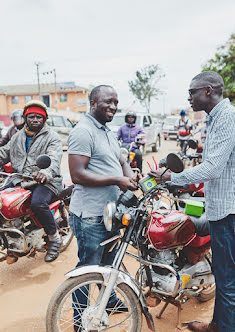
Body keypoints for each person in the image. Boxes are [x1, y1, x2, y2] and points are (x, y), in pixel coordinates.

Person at [150, 71, 235, 332]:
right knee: (223, 276)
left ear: (208, 91)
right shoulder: (215, 118)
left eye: (192, 92)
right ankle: (217, 326)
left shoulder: (227, 117)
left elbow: (212, 168)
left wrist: (174, 178)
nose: (189, 98)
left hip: (228, 211)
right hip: (220, 207)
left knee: (228, 280)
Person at [68, 85, 137, 331]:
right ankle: (79, 323)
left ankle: (111, 301)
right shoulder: (83, 131)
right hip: (91, 215)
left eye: (116, 102)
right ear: (93, 102)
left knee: (109, 260)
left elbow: (120, 158)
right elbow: (77, 174)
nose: (114, 106)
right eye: (108, 101)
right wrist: (117, 180)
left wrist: (128, 175)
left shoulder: (107, 130)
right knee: (88, 269)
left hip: (109, 213)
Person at [0, 100, 63, 262]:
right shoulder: (17, 137)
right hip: (20, 180)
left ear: (44, 119)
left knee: (38, 203)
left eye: (39, 117)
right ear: (25, 118)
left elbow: (54, 158)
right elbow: (3, 153)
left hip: (45, 182)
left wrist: (46, 172)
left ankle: (54, 238)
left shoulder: (52, 137)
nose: (35, 120)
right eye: (31, 117)